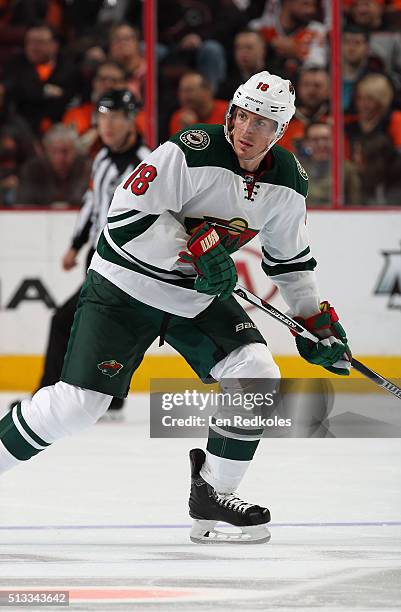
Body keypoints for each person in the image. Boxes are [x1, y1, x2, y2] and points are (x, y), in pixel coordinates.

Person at [0, 71, 351, 544]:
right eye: (243, 116)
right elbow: (124, 219)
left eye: (264, 123)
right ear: (230, 114)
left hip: (196, 298)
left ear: (281, 132)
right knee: (79, 406)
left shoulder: (288, 181)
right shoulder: (189, 149)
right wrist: (194, 248)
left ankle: (213, 496)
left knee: (256, 371)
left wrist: (313, 323)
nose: (249, 131)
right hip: (125, 287)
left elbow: (289, 262)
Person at [37, 88, 151, 416]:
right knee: (98, 325)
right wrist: (76, 244)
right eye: (103, 118)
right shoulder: (101, 158)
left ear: (131, 120)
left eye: (116, 117)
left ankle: (48, 394)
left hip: (127, 264)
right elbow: (93, 202)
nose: (108, 125)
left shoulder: (147, 161)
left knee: (67, 321)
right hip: (99, 258)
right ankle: (109, 396)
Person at [4, 23, 77, 135]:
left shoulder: (68, 68)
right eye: (29, 41)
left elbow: (67, 98)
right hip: (19, 125)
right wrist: (43, 90)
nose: (33, 47)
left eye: (39, 42)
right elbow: (11, 90)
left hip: (57, 127)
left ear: (54, 45)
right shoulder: (15, 64)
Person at [17, 123, 90, 207]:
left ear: (75, 151)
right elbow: (25, 202)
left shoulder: (85, 168)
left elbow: (84, 198)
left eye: (65, 151)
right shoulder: (32, 170)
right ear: (46, 151)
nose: (60, 158)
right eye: (54, 151)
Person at [300, 121, 361, 206]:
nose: (321, 144)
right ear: (306, 143)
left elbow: (355, 203)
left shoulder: (346, 169)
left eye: (326, 139)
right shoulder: (296, 169)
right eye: (315, 140)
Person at [169, 72, 228, 136]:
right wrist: (185, 130)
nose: (184, 96)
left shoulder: (228, 112)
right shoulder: (178, 118)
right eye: (181, 91)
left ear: (207, 91)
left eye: (189, 91)